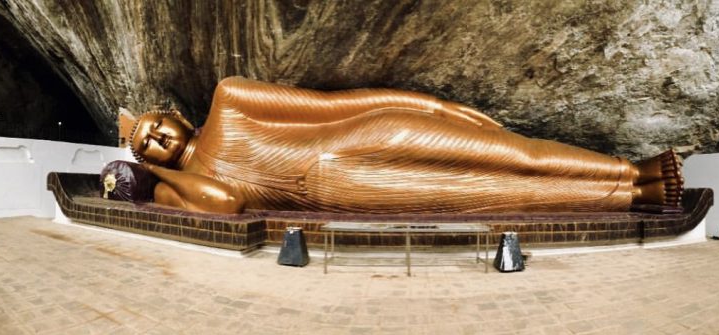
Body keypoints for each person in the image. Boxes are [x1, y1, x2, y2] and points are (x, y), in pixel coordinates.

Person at [129, 76, 683, 214]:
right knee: (495, 193)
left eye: (154, 124)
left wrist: (433, 107)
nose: (155, 137)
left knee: (517, 154)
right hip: (349, 190)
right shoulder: (180, 190)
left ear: (175, 112)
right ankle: (632, 198)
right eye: (146, 145)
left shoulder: (229, 101)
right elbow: (224, 204)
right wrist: (163, 174)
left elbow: (335, 104)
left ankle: (629, 168)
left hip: (368, 134)